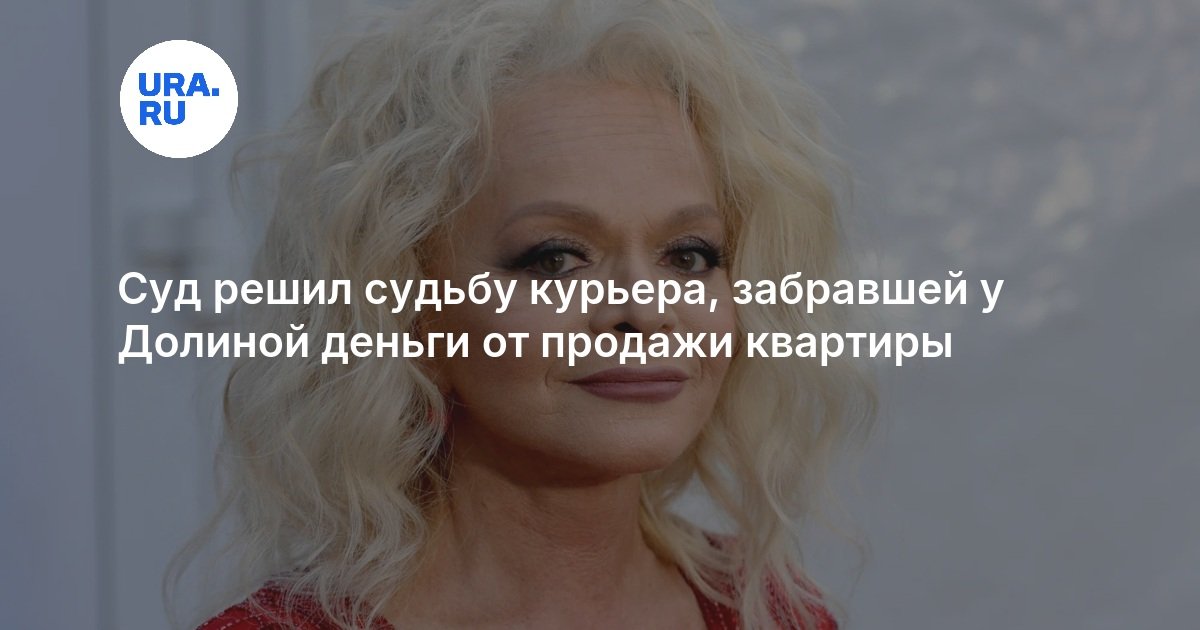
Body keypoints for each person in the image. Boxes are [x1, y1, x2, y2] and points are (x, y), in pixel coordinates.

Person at [180, 0, 875, 628]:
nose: (645, 309)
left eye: (689, 255)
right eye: (556, 258)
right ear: (406, 310)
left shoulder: (773, 612)